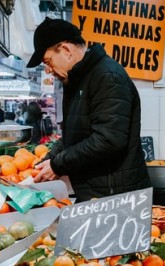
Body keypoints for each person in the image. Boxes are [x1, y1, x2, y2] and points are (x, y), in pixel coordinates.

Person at [27, 18, 150, 201]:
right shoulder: (79, 80)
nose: (47, 70)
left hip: (115, 198)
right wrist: (50, 159)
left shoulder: (107, 76)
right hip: (98, 193)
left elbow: (108, 140)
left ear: (66, 50)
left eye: (48, 61)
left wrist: (58, 165)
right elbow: (77, 135)